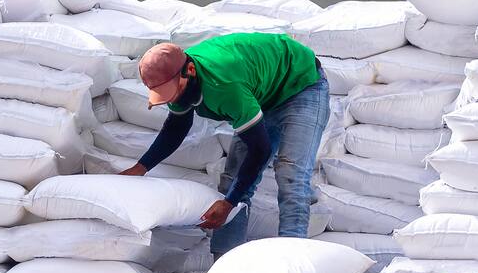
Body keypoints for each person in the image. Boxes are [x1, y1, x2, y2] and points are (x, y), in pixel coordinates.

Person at [120, 33, 331, 255]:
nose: (172, 99)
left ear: (190, 70)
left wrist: (229, 203)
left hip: (301, 84)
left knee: (291, 178)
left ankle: (292, 264)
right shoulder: (178, 80)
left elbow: (260, 150)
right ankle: (223, 266)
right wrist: (141, 167)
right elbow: (176, 127)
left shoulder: (224, 84)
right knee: (232, 183)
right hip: (261, 94)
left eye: (172, 92)